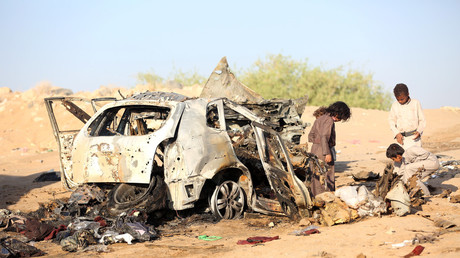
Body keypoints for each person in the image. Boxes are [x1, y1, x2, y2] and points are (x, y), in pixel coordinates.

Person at [308, 101, 351, 196]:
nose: (340, 120)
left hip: (315, 149)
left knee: (315, 176)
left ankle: (315, 197)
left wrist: (317, 142)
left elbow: (310, 136)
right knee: (326, 175)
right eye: (341, 118)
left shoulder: (320, 118)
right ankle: (326, 199)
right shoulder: (329, 120)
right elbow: (324, 137)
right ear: (337, 114)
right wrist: (327, 153)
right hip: (323, 150)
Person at [388, 83, 426, 149]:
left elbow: (422, 120)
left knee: (416, 157)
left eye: (402, 99)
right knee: (404, 158)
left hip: (414, 139)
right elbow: (391, 122)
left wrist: (419, 131)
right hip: (401, 139)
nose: (400, 101)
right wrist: (397, 133)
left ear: (408, 94)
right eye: (398, 99)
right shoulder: (395, 105)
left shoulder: (415, 103)